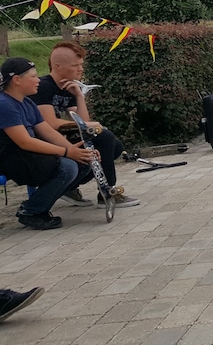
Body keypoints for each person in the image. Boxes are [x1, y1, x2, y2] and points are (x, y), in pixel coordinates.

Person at [32, 41, 140, 208]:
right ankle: (107, 191)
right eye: (75, 65)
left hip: (63, 137)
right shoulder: (43, 86)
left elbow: (82, 120)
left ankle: (70, 187)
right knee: (105, 138)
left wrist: (79, 96)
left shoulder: (70, 86)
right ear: (58, 66)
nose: (80, 69)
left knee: (114, 146)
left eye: (81, 65)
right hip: (44, 140)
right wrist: (90, 126)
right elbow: (50, 123)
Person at [0, 58, 97, 230]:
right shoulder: (5, 104)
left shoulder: (26, 101)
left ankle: (39, 207)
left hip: (27, 156)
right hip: (11, 159)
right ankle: (31, 211)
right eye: (34, 76)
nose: (39, 80)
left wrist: (75, 150)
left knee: (83, 163)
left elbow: (48, 132)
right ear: (17, 80)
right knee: (68, 167)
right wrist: (66, 153)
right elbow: (24, 142)